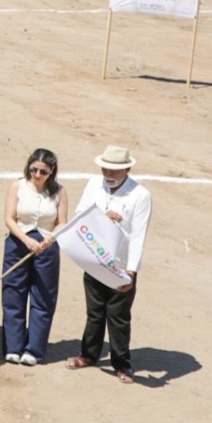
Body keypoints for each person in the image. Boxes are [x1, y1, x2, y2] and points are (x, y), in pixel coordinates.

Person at [66, 145, 153, 383]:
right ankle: (88, 355)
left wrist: (131, 272)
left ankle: (122, 364)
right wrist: (102, 218)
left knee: (119, 315)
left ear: (128, 168)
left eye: (114, 170)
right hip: (94, 259)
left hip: (121, 265)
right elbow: (80, 213)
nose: (109, 173)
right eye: (106, 168)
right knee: (94, 312)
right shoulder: (94, 184)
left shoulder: (140, 196)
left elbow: (138, 235)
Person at [1, 148, 69, 365]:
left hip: (46, 247)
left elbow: (62, 222)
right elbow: (9, 218)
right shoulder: (17, 186)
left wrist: (49, 240)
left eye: (43, 171)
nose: (37, 175)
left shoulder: (59, 191)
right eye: (34, 170)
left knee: (43, 297)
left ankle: (34, 350)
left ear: (51, 172)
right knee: (13, 293)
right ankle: (13, 346)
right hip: (18, 243)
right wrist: (26, 239)